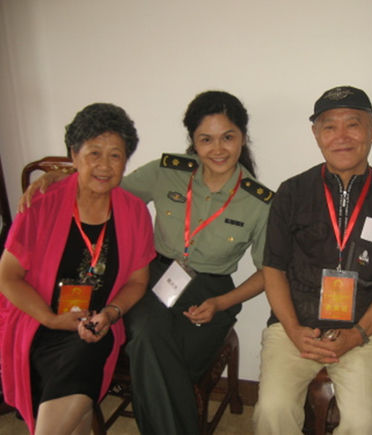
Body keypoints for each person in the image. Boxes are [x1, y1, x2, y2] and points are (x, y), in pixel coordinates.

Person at [20, 90, 273, 434]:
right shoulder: (167, 172)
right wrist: (60, 177)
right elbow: (106, 185)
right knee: (147, 337)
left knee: (163, 358)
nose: (218, 149)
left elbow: (268, 272)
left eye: (228, 137)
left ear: (243, 137)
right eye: (206, 139)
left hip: (212, 292)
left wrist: (221, 303)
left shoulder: (259, 200)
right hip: (153, 279)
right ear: (193, 142)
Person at [253, 86, 372, 434]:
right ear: (316, 134)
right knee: (272, 410)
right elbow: (273, 269)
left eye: (353, 124)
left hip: (365, 330)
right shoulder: (291, 192)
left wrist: (357, 334)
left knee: (363, 424)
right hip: (296, 325)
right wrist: (293, 329)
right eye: (329, 127)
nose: (341, 137)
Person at [0, 103, 156, 434]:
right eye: (94, 153)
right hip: (38, 323)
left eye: (115, 155)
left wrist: (111, 313)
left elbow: (137, 280)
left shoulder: (134, 212)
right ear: (74, 154)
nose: (105, 165)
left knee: (87, 351)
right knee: (75, 406)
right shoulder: (42, 203)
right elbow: (7, 276)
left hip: (96, 326)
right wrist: (50, 319)